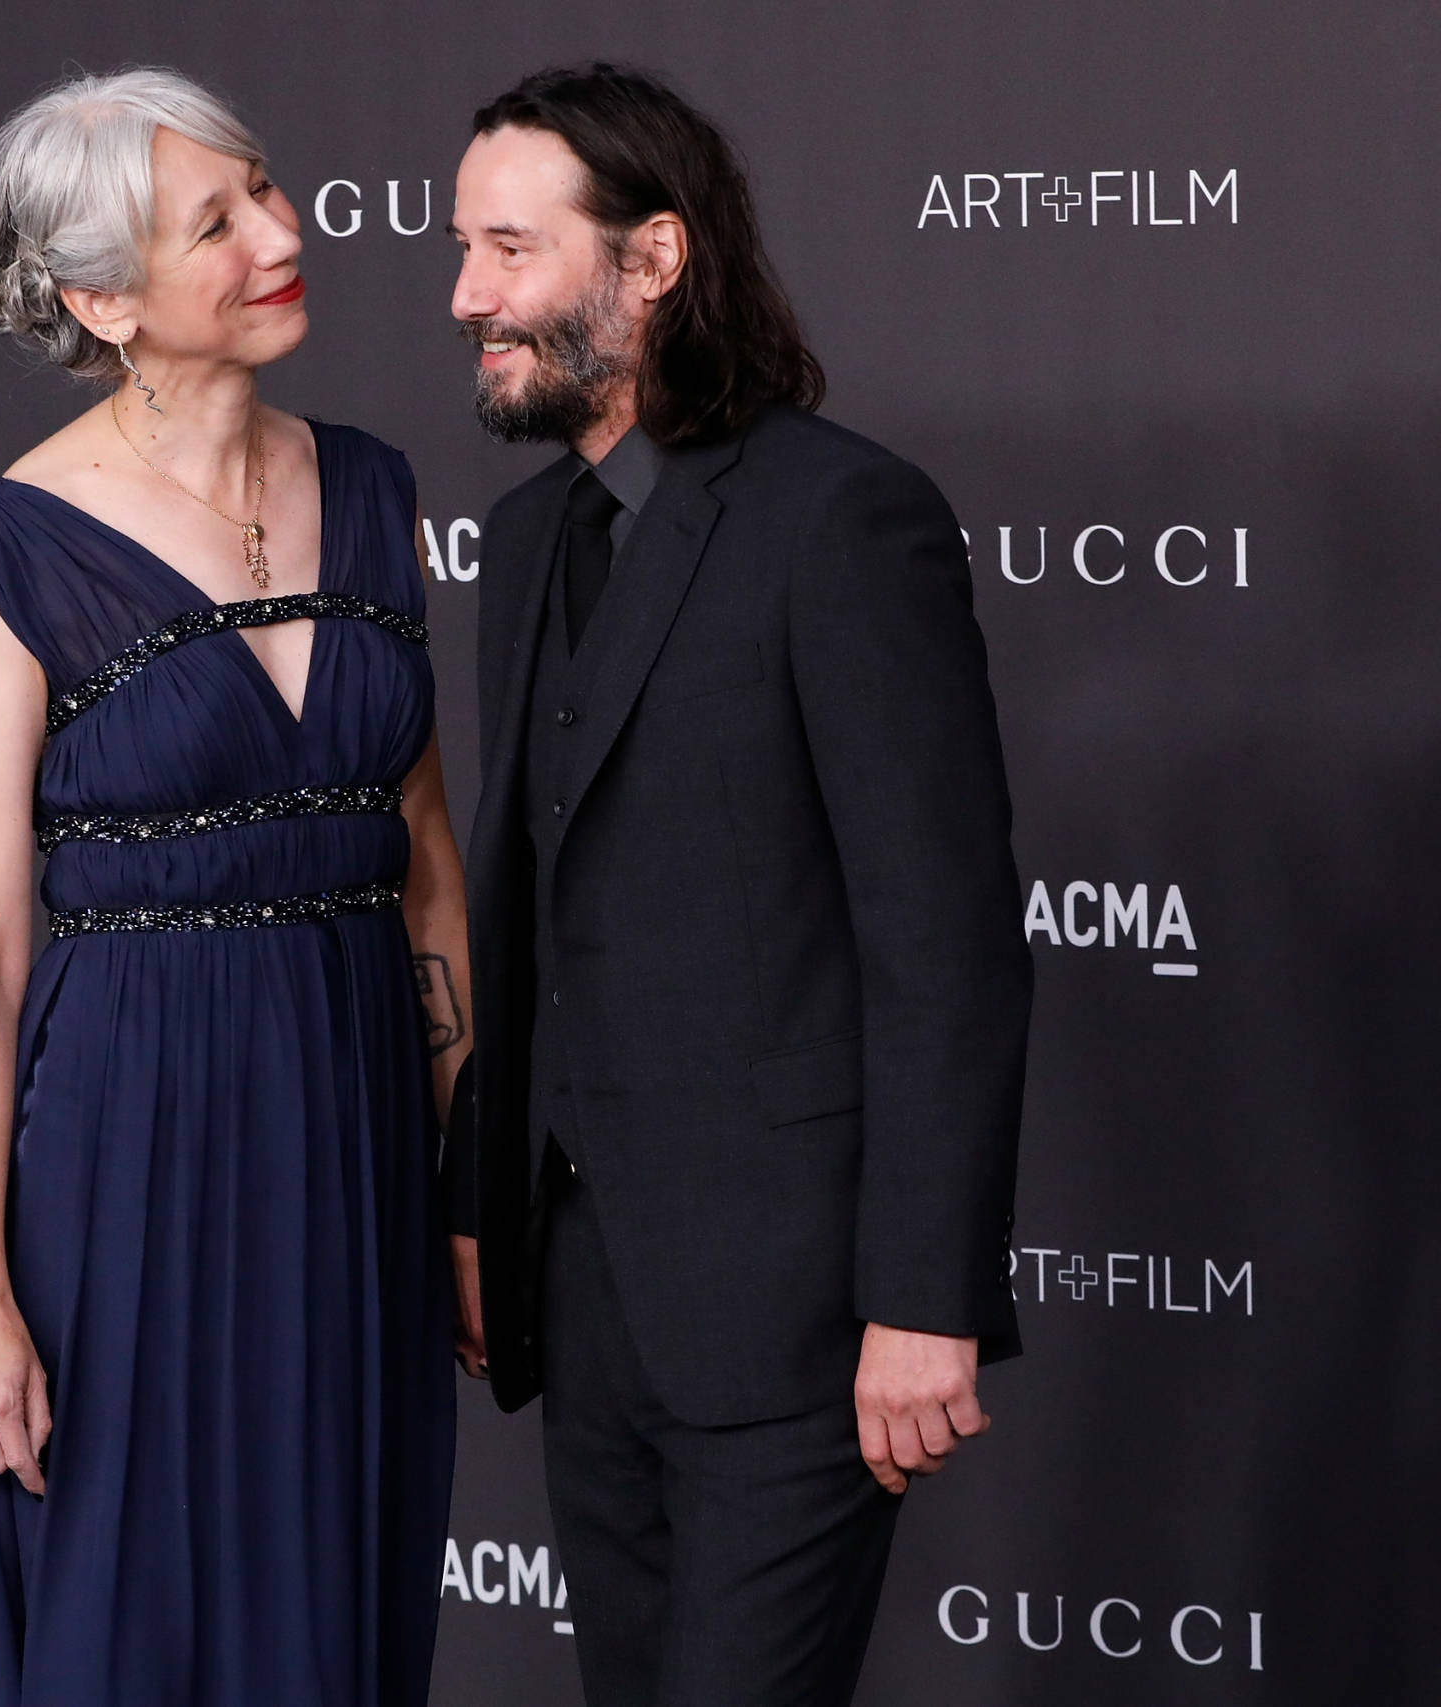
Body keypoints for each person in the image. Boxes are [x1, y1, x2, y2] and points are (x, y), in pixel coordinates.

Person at [440, 63, 1034, 1706]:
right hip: (588, 1295)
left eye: (508, 249)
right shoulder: (519, 541)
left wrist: (926, 1301)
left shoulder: (841, 519)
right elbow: (538, 912)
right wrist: (484, 1208)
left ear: (653, 260)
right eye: (464, 249)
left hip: (798, 1305)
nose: (465, 295)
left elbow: (946, 942)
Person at [0, 68, 465, 1707]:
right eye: (213, 223)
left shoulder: (371, 489)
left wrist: (465, 1191)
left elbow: (425, 869)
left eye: (268, 193)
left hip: (358, 1128)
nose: (280, 237)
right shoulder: (7, 553)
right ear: (101, 299)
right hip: (127, 1150)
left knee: (340, 1596)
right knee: (138, 1616)